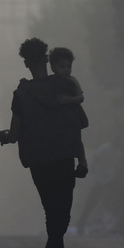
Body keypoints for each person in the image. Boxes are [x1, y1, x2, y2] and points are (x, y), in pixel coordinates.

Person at [0, 38, 88, 248]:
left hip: (38, 161)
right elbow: (81, 122)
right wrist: (82, 159)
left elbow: (14, 135)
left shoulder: (22, 93)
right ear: (47, 59)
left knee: (51, 213)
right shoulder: (65, 85)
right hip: (63, 157)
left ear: (26, 63)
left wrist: (5, 136)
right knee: (63, 213)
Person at [48, 46, 89, 178]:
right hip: (60, 120)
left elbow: (81, 97)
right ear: (53, 67)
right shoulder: (50, 82)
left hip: (74, 114)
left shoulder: (73, 80)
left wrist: (68, 100)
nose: (66, 69)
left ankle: (82, 162)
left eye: (68, 66)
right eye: (62, 66)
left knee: (77, 139)